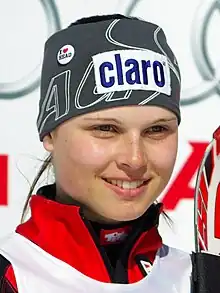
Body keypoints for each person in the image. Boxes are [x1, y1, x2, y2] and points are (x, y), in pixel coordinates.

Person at [0, 14, 192, 293]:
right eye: (106, 129)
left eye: (156, 130)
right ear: (50, 134)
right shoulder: (10, 276)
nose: (135, 159)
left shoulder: (201, 277)